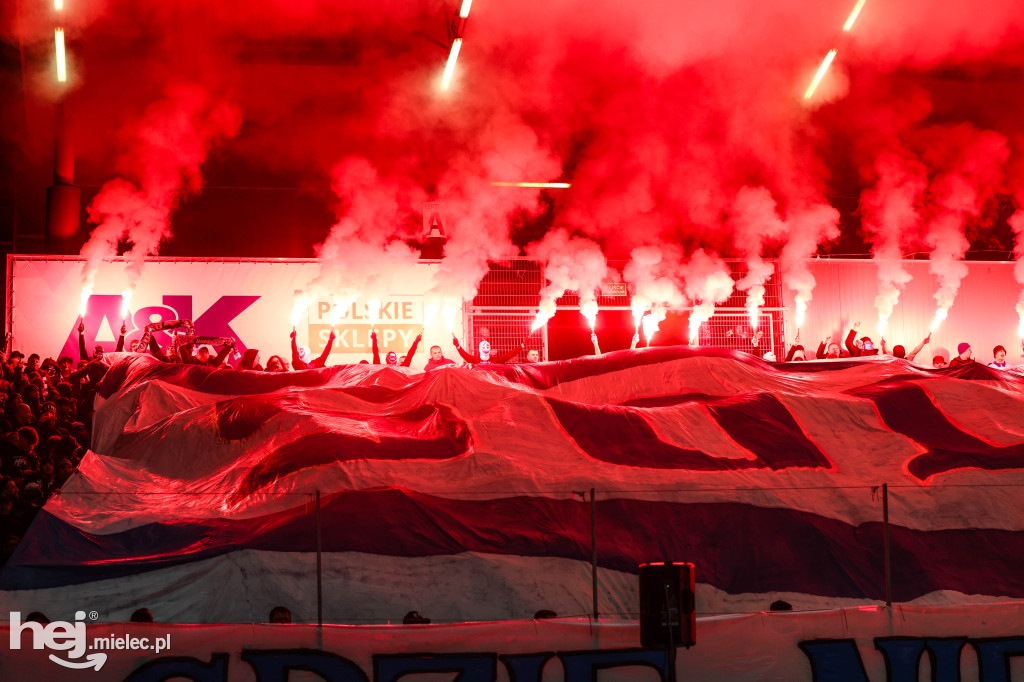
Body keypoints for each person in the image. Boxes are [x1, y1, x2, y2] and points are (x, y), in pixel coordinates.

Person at [452, 335, 527, 364]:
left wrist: (522, 345)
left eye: (487, 347)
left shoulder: (496, 360)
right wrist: (457, 346)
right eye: (483, 347)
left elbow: (510, 354)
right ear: (479, 349)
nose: (485, 349)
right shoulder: (475, 360)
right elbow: (465, 355)